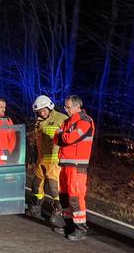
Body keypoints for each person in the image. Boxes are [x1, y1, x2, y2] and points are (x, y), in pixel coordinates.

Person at [54, 95, 95, 241]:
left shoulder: (85, 121)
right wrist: (63, 136)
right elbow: (56, 138)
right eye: (65, 107)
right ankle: (69, 225)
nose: (66, 109)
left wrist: (62, 136)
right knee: (64, 196)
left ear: (77, 106)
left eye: (68, 107)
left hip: (77, 166)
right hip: (65, 164)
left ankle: (81, 228)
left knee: (76, 197)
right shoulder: (67, 121)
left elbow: (70, 138)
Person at [28, 95, 68, 227]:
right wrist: (32, 155)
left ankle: (57, 213)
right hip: (41, 159)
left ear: (50, 107)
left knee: (54, 188)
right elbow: (36, 141)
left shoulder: (62, 119)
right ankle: (36, 208)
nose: (42, 113)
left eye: (44, 110)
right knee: (36, 185)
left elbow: (68, 139)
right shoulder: (38, 122)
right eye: (39, 111)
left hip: (55, 160)